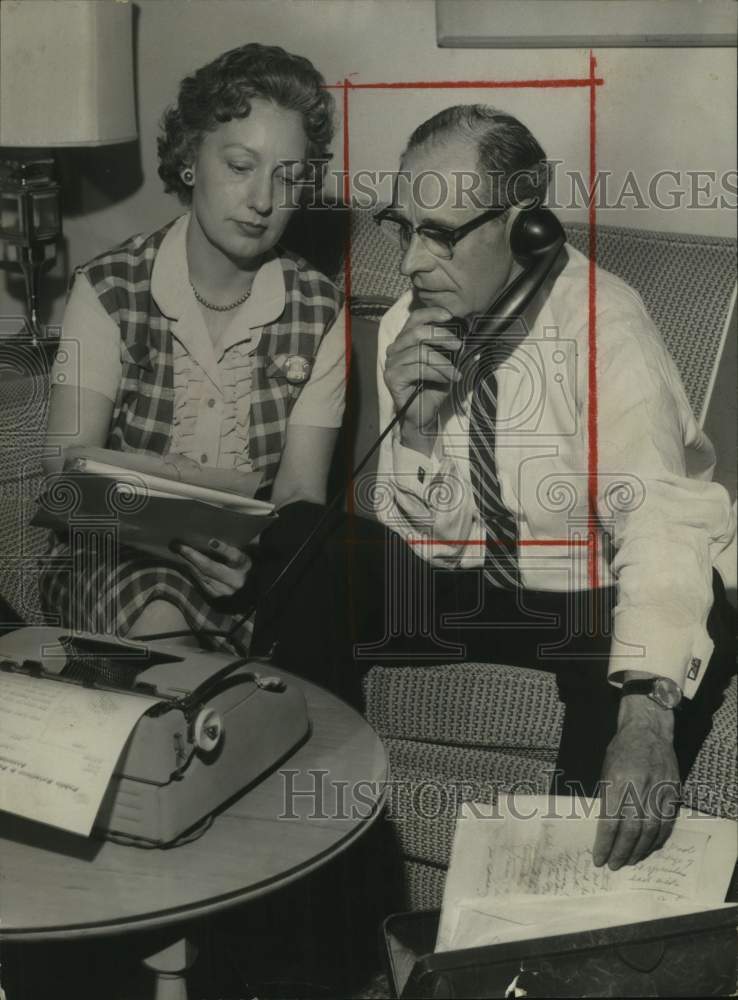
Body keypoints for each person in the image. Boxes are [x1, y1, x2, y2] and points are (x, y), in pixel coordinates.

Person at [251, 104, 736, 871]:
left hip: (592, 589)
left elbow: (659, 520)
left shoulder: (605, 326)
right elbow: (435, 545)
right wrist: (413, 429)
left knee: (628, 627)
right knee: (304, 539)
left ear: (523, 226)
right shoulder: (414, 318)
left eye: (438, 233)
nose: (408, 262)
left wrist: (646, 717)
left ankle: (559, 918)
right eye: (401, 227)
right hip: (483, 586)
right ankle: (308, 886)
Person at [40, 43, 346, 651]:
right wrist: (166, 542)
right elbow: (61, 470)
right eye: (240, 166)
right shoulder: (105, 288)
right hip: (108, 560)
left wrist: (248, 557)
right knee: (162, 608)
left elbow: (298, 497)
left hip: (244, 569)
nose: (263, 201)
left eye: (286, 177)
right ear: (189, 160)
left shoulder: (319, 308)